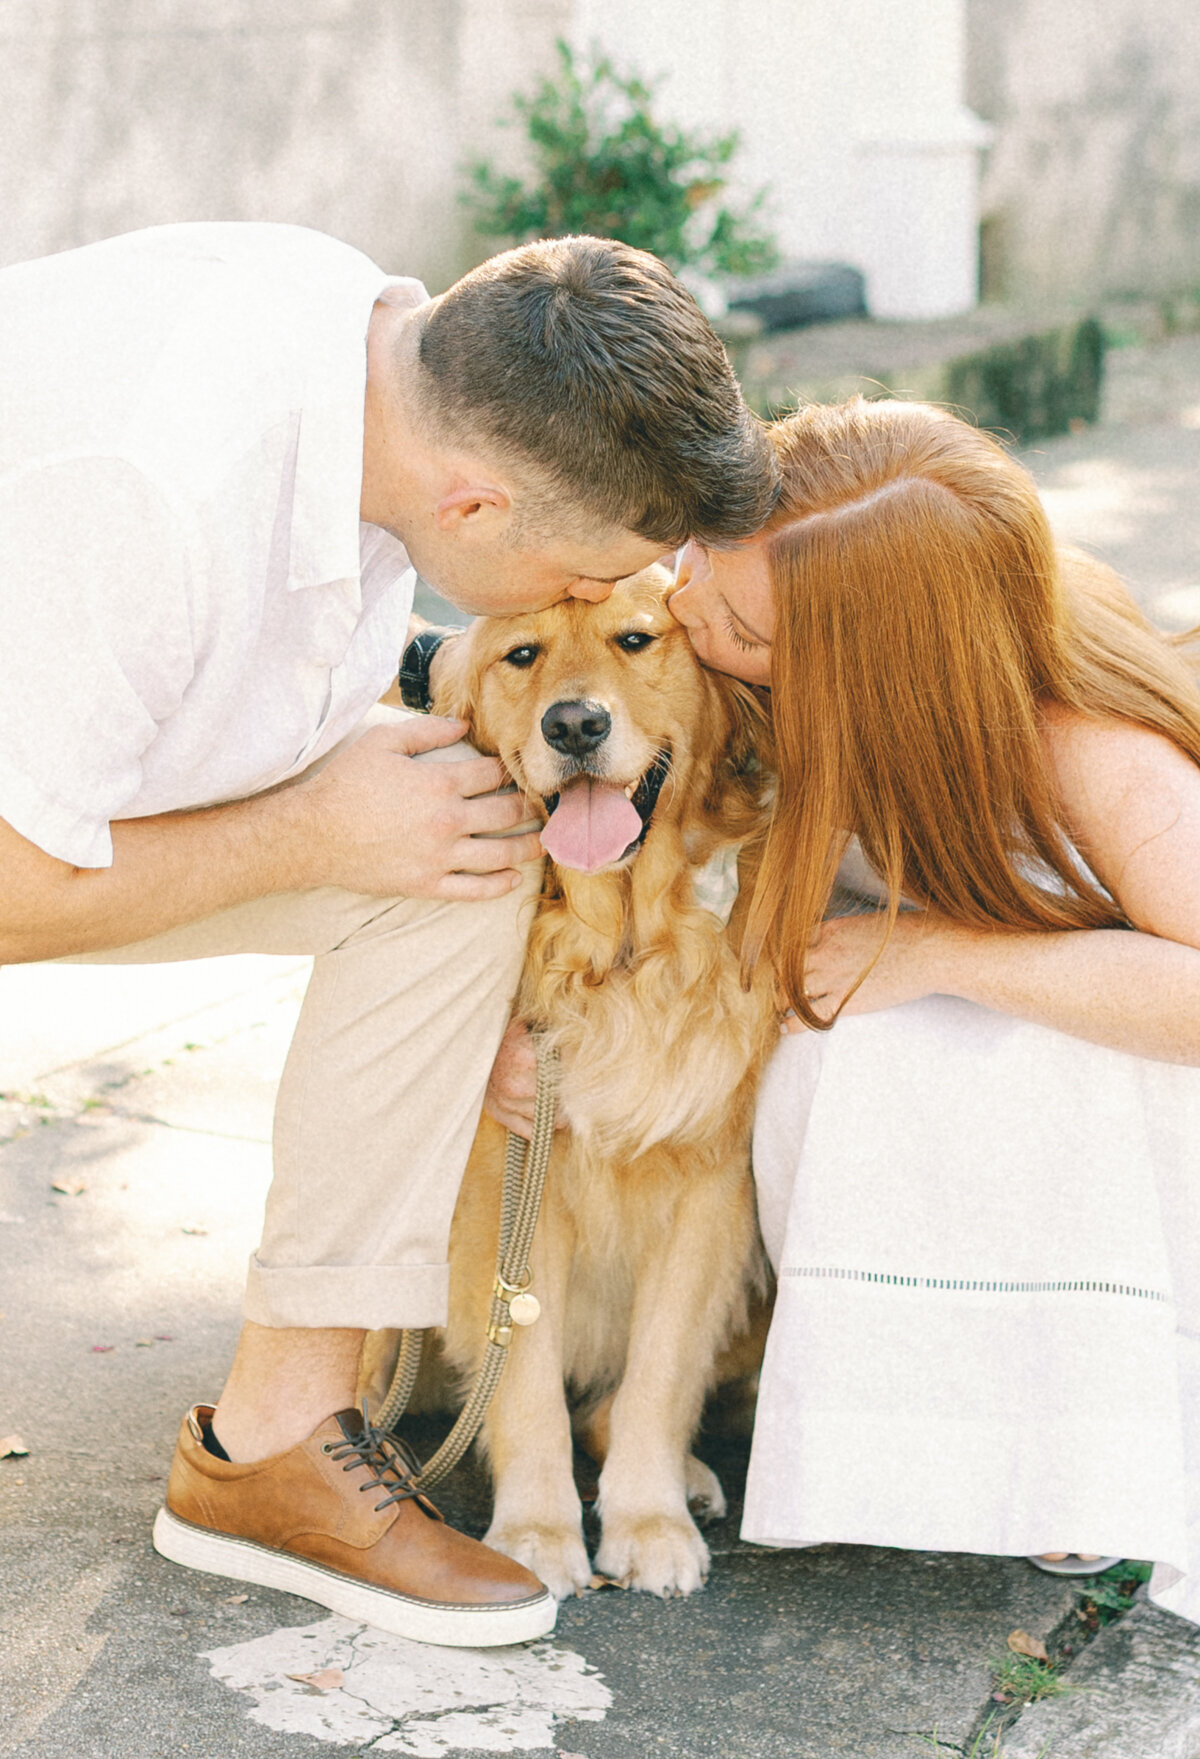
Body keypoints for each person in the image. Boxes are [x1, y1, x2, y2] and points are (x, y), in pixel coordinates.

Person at [0, 220, 779, 1645]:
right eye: (594, 573)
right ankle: (272, 1469)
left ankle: (291, 1422)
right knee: (396, 835)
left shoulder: (374, 346)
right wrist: (308, 830)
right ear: (478, 512)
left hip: (77, 763)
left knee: (449, 837)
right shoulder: (146, 497)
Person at [664, 396, 1200, 1622]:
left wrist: (951, 956)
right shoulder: (698, 620)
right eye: (699, 560)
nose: (687, 606)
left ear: (873, 676)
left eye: (741, 625)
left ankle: (1078, 1439)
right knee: (844, 1043)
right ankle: (892, 1429)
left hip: (1126, 1101)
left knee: (980, 1054)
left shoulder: (1089, 750)